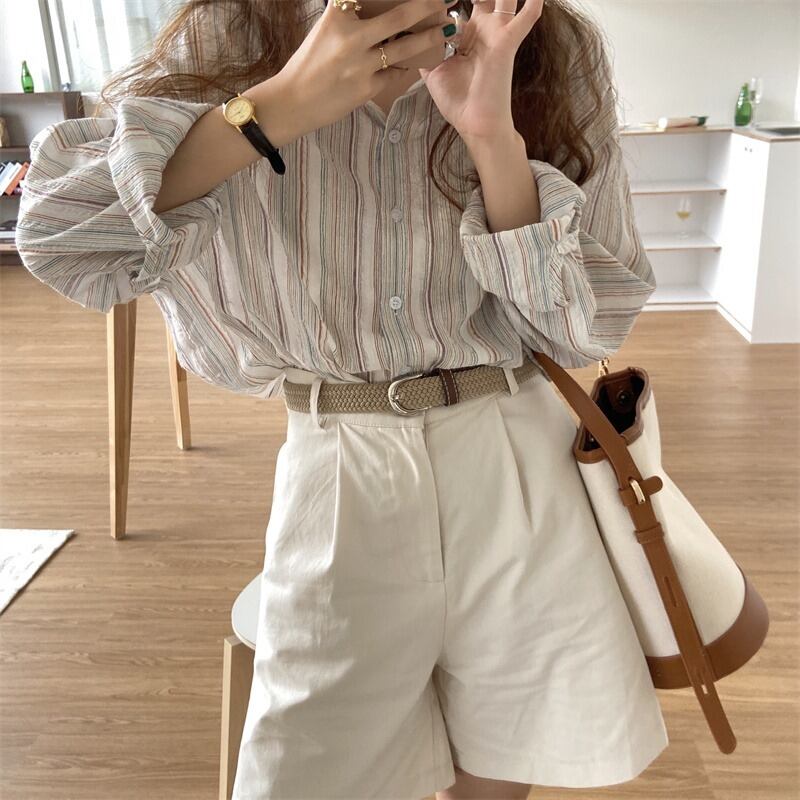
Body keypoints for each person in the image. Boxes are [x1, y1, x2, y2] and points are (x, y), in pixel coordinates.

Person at [16, 0, 668, 797]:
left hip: (517, 461)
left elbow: (585, 327)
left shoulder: (544, 44)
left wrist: (493, 141)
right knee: (307, 771)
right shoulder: (228, 36)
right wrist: (280, 107)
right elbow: (60, 236)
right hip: (338, 466)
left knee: (505, 760)